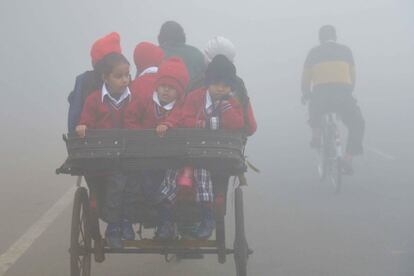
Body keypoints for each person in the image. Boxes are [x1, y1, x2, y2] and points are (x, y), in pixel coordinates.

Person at [76, 34, 138, 249]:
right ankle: (114, 226)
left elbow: (141, 119)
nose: (125, 80)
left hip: (129, 155)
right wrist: (83, 126)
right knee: (115, 188)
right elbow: (85, 118)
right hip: (105, 157)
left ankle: (127, 222)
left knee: (131, 187)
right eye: (119, 76)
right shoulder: (94, 99)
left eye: (127, 75)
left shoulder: (134, 97)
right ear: (105, 77)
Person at [179, 55, 251, 239]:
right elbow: (184, 118)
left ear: (231, 87)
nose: (221, 88)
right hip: (194, 152)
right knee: (193, 179)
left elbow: (237, 124)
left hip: (219, 155)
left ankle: (208, 219)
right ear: (208, 83)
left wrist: (225, 107)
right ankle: (185, 216)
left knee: (210, 180)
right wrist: (202, 124)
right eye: (217, 83)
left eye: (226, 85)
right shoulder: (195, 97)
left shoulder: (231, 103)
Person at [124, 57, 190, 240]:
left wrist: (168, 124)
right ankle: (131, 219)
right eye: (163, 86)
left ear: (180, 92)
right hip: (143, 157)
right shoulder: (144, 101)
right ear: (157, 85)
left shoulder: (180, 107)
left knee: (167, 191)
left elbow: (181, 119)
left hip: (169, 160)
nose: (166, 90)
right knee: (138, 181)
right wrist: (141, 134)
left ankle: (165, 226)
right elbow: (130, 118)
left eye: (172, 87)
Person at [301, 25, 365, 173]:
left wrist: (305, 93)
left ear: (320, 38)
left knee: (314, 106)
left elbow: (306, 78)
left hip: (321, 98)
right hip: (343, 97)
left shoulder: (313, 53)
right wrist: (348, 91)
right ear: (335, 37)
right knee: (358, 123)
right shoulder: (346, 51)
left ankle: (316, 135)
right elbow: (353, 76)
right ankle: (348, 159)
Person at [67, 32, 122, 132]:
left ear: (94, 62)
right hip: (125, 144)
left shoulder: (83, 81)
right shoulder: (127, 82)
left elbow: (74, 119)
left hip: (91, 144)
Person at [157, 21, 206, 90]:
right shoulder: (197, 53)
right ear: (183, 36)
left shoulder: (155, 54)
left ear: (160, 37)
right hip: (192, 97)